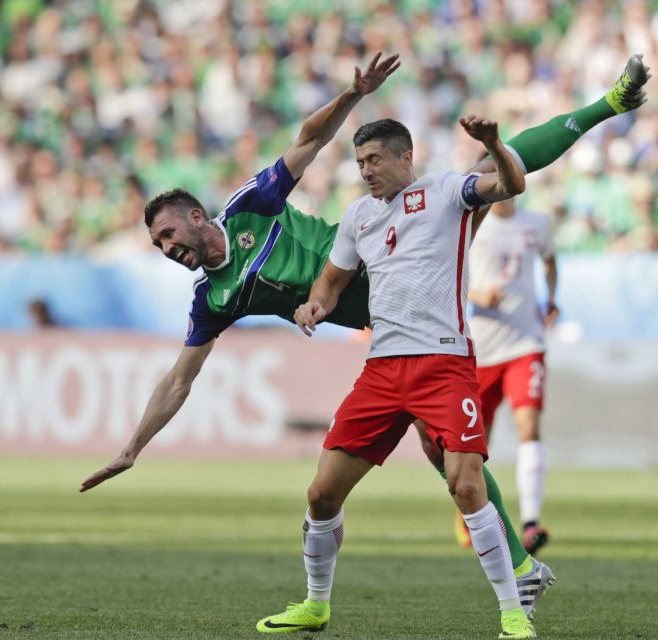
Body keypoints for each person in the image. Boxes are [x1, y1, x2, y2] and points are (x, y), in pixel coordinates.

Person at [80, 53, 649, 629]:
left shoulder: (250, 206)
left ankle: (609, 104)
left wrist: (354, 94)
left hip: (406, 268)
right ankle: (519, 568)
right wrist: (133, 446)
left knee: (490, 172)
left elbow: (309, 139)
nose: (167, 248)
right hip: (390, 324)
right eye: (157, 245)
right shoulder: (215, 298)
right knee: (438, 457)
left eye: (169, 234)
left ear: (197, 218)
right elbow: (181, 378)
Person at [262, 114, 532, 637]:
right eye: (360, 162)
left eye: (375, 160)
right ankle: (316, 605)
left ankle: (513, 613)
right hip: (382, 371)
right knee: (321, 495)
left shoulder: (448, 191)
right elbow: (331, 280)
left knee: (466, 485)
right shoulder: (358, 216)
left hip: (443, 363)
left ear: (406, 157)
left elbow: (511, 183)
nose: (366, 170)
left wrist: (493, 143)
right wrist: (315, 306)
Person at [460, 197, 558, 557]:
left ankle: (531, 522)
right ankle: (470, 509)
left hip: (525, 343)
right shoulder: (473, 225)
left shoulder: (537, 223)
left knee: (529, 425)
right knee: (473, 442)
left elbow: (550, 260)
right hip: (482, 349)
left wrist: (552, 299)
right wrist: (476, 294)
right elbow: (447, 272)